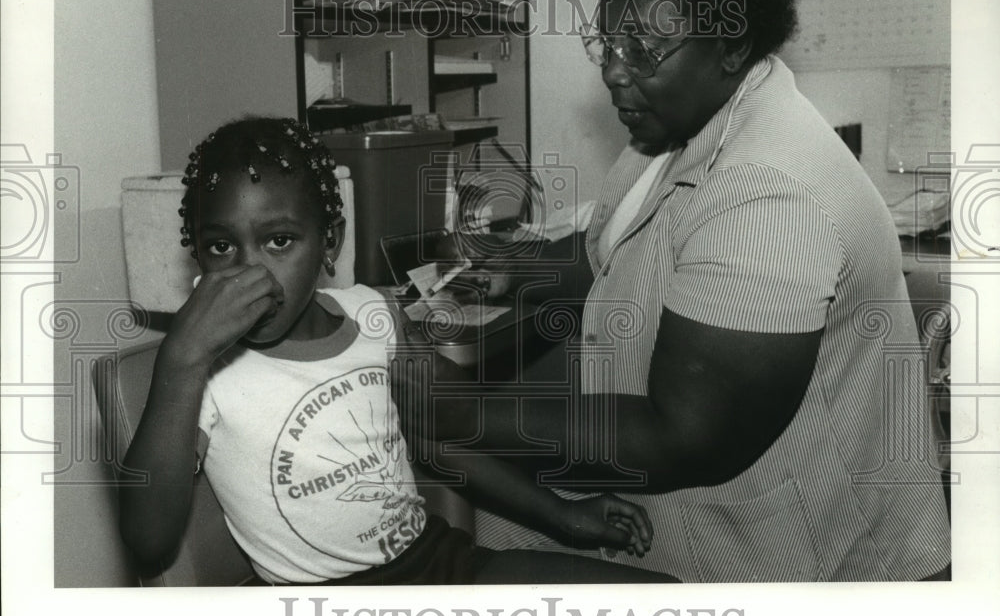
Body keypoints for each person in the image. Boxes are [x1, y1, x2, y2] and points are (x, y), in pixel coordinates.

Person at [404, 0, 952, 582]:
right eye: (606, 43)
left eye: (641, 50)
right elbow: (606, 258)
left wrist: (456, 411)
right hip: (710, 500)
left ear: (731, 47)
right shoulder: (670, 132)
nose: (612, 70)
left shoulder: (769, 192)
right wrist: (516, 269)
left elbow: (681, 435)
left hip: (817, 559)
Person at [118, 115, 679, 585]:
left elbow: (437, 443)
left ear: (329, 244)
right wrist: (181, 360)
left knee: (673, 606)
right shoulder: (199, 371)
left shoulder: (373, 313)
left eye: (279, 241)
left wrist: (564, 516)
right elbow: (148, 544)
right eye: (222, 247)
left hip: (438, 566)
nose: (251, 275)